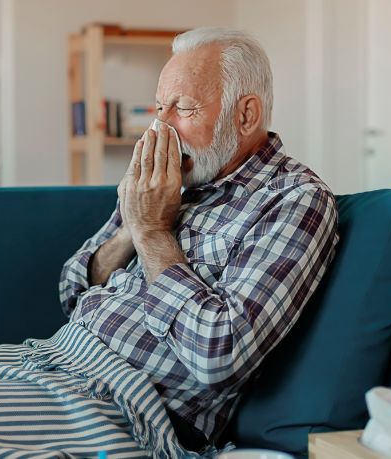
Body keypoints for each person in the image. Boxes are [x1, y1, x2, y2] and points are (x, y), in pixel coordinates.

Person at [59, 26, 340, 449]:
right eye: (159, 108)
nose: (160, 128)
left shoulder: (294, 200)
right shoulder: (164, 181)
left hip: (117, 409)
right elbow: (70, 291)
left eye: (184, 109)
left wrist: (154, 233)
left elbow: (220, 355)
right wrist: (132, 230)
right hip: (51, 362)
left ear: (246, 115)